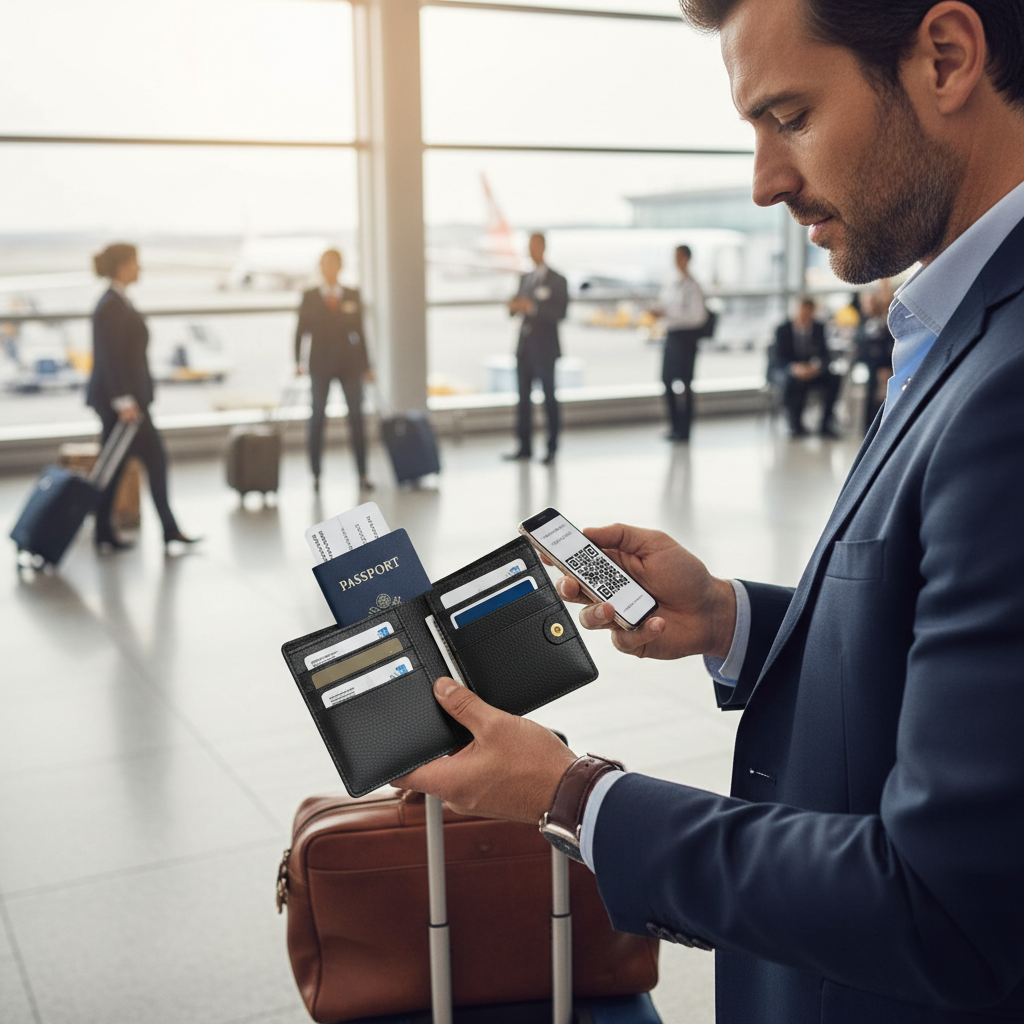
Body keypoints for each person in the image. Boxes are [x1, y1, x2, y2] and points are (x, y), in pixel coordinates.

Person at [397, 1, 1024, 1022]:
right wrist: (734, 619)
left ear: (946, 59)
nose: (764, 181)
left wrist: (573, 796)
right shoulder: (962, 322)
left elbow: (945, 907)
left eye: (791, 117)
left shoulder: (1010, 380)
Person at [86, 243, 197, 553]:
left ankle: (117, 530)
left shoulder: (118, 301)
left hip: (130, 403)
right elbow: (109, 357)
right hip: (124, 406)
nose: (139, 268)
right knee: (128, 466)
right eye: (135, 263)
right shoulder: (110, 305)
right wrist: (123, 400)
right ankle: (159, 530)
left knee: (125, 467)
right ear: (122, 266)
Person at [295, 249, 373, 492]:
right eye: (325, 264)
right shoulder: (310, 296)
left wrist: (367, 366)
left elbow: (360, 332)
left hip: (349, 363)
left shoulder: (351, 294)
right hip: (320, 364)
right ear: (320, 267)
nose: (329, 268)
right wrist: (298, 361)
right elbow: (300, 331)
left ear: (340, 267)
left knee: (356, 418)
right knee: (317, 417)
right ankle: (316, 475)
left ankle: (362, 474)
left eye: (333, 264)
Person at [504, 233, 568, 465]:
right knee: (523, 400)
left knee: (549, 399)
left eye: (535, 246)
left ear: (543, 247)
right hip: (525, 348)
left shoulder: (557, 280)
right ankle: (524, 447)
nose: (531, 251)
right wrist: (514, 306)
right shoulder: (525, 278)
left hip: (545, 349)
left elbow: (560, 313)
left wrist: (532, 308)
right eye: (529, 247)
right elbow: (514, 310)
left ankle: (551, 448)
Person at [651, 245, 708, 442]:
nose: (676, 261)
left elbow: (697, 316)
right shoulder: (672, 282)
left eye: (680, 257)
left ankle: (685, 430)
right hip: (672, 336)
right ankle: (674, 426)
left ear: (687, 259)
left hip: (687, 338)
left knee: (686, 383)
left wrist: (669, 314)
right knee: (667, 380)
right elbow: (665, 305)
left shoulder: (693, 286)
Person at [773, 296, 841, 437]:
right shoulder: (783, 329)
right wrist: (795, 368)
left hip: (812, 371)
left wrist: (816, 367)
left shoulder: (819, 328)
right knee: (792, 383)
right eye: (802, 311)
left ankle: (826, 424)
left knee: (834, 379)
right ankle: (795, 425)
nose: (804, 315)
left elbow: (825, 355)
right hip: (789, 370)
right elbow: (778, 358)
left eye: (808, 312)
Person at [854, 289, 896, 433]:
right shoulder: (862, 323)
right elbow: (862, 348)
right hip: (868, 365)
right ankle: (868, 426)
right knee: (871, 384)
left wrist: (886, 366)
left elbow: (888, 344)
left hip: (884, 364)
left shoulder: (885, 320)